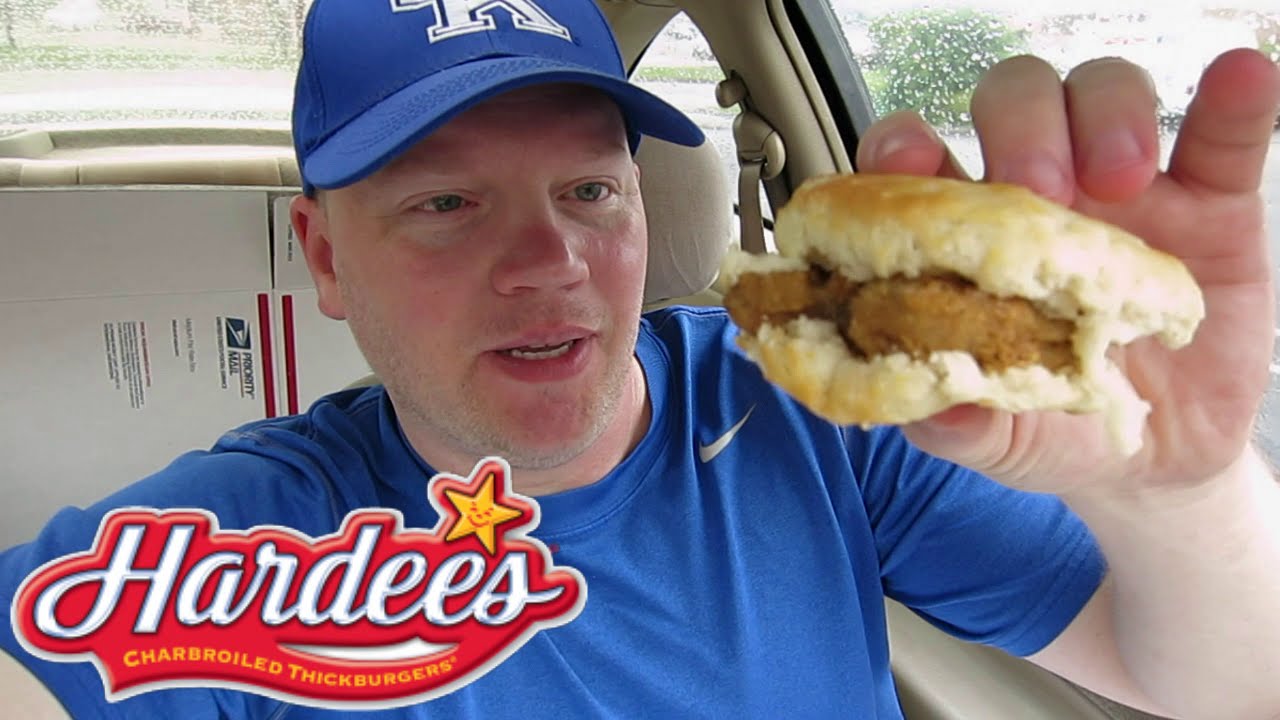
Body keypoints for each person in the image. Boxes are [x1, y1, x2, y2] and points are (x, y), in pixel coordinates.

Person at [2, 0, 1279, 717]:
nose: (546, 261)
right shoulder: (244, 549)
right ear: (325, 259)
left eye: (588, 191)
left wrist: (1178, 488)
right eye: (445, 205)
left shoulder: (804, 405)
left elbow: (1225, 683)